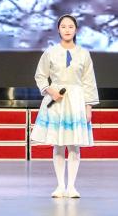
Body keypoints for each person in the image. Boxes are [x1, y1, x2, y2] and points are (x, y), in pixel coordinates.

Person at [30, 14, 99, 198]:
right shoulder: (50, 52)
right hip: (56, 101)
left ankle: (72, 186)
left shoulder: (84, 54)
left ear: (75, 30)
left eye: (70, 26)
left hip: (76, 100)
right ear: (58, 30)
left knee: (74, 144)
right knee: (58, 143)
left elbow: (89, 82)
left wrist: (89, 107)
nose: (67, 30)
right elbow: (40, 75)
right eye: (63, 26)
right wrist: (50, 90)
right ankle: (60, 185)